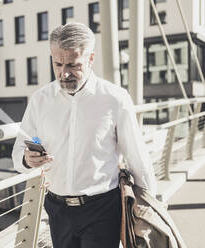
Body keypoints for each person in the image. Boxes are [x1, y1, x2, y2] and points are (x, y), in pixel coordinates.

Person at [12, 22, 157, 248]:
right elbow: (27, 142)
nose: (64, 73)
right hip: (56, 209)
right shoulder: (40, 100)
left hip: (102, 208)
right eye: (57, 64)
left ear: (90, 59)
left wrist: (151, 207)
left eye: (72, 64)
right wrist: (28, 157)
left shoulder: (115, 98)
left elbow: (137, 157)